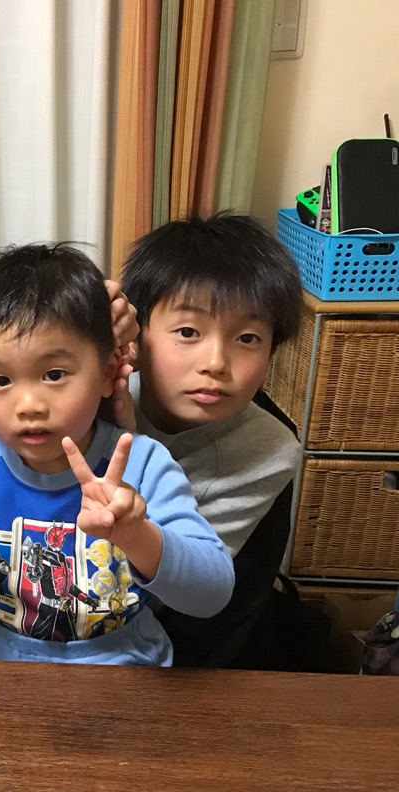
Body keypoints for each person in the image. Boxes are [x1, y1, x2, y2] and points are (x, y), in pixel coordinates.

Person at [0, 243, 233, 665]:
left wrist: (135, 535)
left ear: (107, 373)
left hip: (124, 667)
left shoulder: (142, 463)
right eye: (0, 380)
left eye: (54, 374)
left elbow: (213, 594)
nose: (29, 404)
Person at [117, 213, 303, 667]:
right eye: (188, 332)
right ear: (136, 335)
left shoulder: (268, 449)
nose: (216, 362)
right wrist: (78, 324)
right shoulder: (94, 389)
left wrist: (126, 439)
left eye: (247, 338)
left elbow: (184, 590)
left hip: (175, 638)